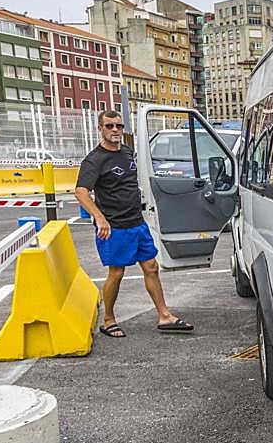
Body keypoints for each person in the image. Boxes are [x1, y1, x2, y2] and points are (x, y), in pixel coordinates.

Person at [74, 109, 193, 338]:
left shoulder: (127, 152)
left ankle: (164, 316)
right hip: (114, 227)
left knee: (151, 267)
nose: (115, 130)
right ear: (100, 129)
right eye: (110, 126)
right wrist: (100, 218)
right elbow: (81, 192)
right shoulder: (94, 160)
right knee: (116, 273)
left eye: (119, 126)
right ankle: (108, 320)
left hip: (137, 223)